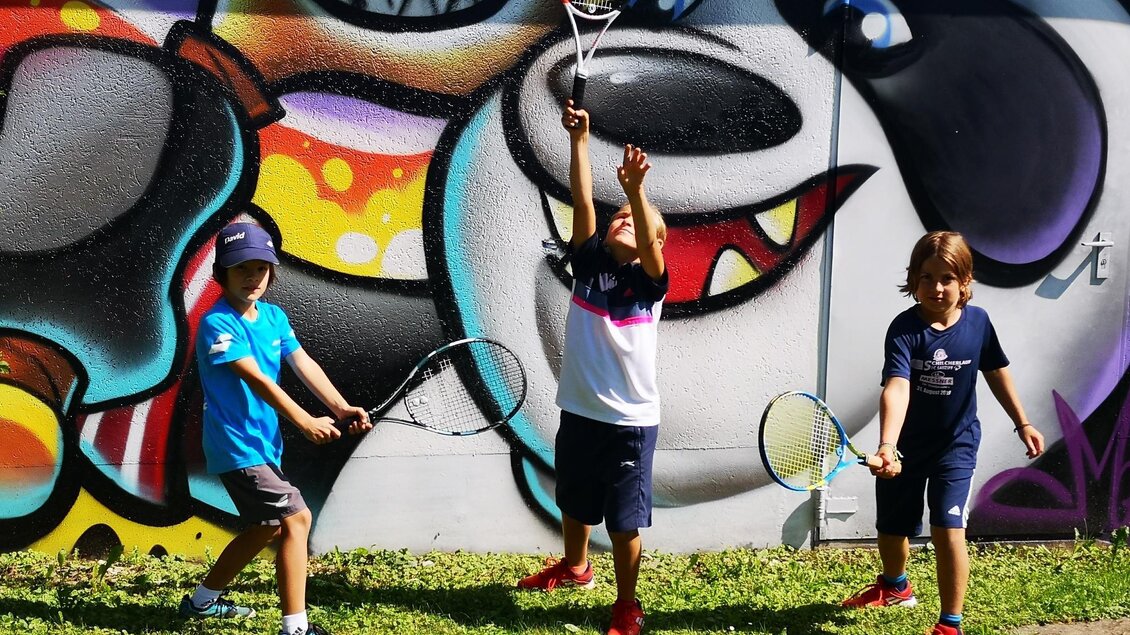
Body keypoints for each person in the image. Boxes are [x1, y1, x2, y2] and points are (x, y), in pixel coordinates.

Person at [841, 231, 1046, 635]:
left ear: (965, 281)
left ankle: (950, 624)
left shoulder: (979, 323)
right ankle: (896, 586)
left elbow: (996, 371)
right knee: (892, 527)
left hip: (957, 444)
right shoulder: (903, 329)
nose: (936, 288)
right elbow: (896, 387)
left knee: (948, 528)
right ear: (913, 280)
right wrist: (888, 446)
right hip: (906, 447)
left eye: (947, 278)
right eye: (926, 277)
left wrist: (1022, 422)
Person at [515, 101, 668, 635]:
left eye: (637, 221)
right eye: (619, 219)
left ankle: (626, 604)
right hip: (579, 409)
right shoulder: (590, 265)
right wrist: (579, 141)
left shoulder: (651, 284)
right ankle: (576, 566)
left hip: (630, 420)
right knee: (574, 499)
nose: (625, 220)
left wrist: (636, 193)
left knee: (626, 520)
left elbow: (650, 244)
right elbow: (582, 199)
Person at [178, 220, 371, 635]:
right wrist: (304, 421)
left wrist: (339, 408)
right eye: (241, 268)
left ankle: (201, 602)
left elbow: (303, 364)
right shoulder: (217, 323)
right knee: (297, 519)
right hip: (236, 446)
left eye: (260, 268)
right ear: (221, 275)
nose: (252, 277)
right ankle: (295, 629)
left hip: (263, 444)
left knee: (265, 526)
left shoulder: (274, 317)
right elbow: (255, 378)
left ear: (271, 272)